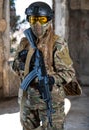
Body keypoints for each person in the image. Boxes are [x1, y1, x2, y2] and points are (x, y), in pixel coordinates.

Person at [12, 1, 81, 130]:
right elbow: (14, 68)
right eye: (34, 19)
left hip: (50, 100)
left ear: (48, 20)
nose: (37, 24)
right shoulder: (24, 42)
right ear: (29, 20)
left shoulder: (57, 43)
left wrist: (52, 79)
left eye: (42, 19)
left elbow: (68, 72)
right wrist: (22, 63)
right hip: (28, 100)